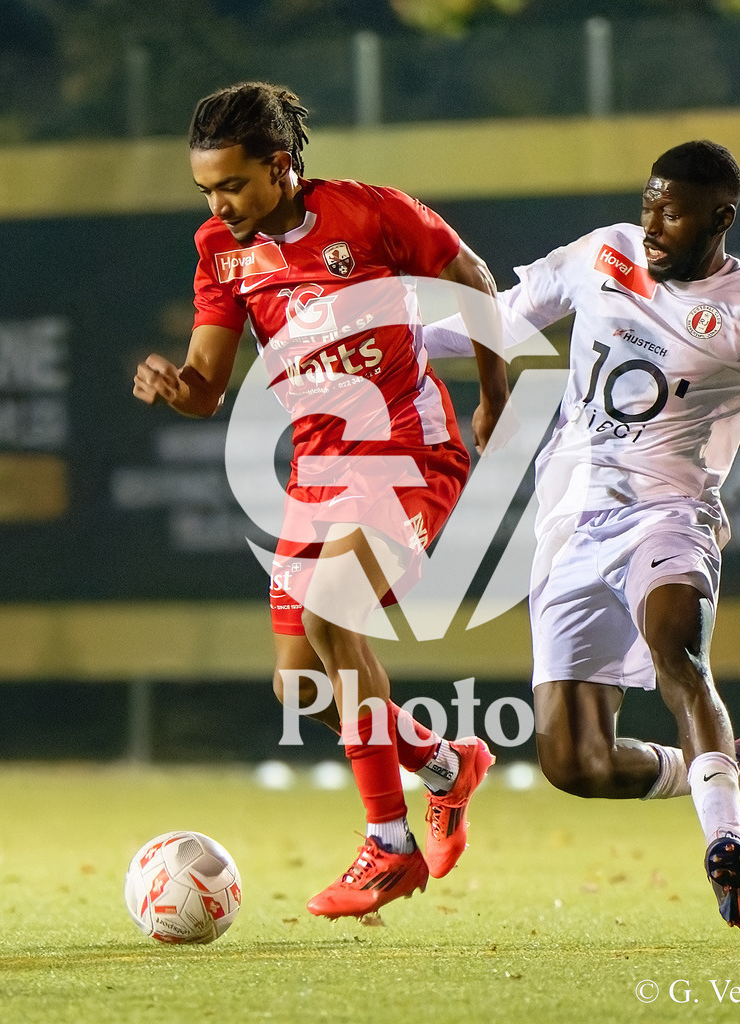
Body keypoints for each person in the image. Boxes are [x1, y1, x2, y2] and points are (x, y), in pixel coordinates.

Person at [133, 82, 509, 919]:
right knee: (299, 686)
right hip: (318, 472)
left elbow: (472, 276)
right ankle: (448, 765)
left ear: (280, 166)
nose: (219, 204)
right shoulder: (218, 252)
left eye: (232, 185)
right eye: (206, 190)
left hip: (408, 452)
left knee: (333, 616)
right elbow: (207, 390)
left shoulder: (367, 214)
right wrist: (175, 384)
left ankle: (389, 844)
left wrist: (494, 390)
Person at [425, 140, 740, 930]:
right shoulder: (602, 253)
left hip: (672, 513)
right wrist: (368, 349)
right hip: (569, 522)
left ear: (720, 218)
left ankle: (722, 841)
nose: (652, 223)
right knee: (576, 763)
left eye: (671, 211)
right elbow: (498, 318)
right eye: (648, 203)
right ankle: (727, 775)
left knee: (676, 648)